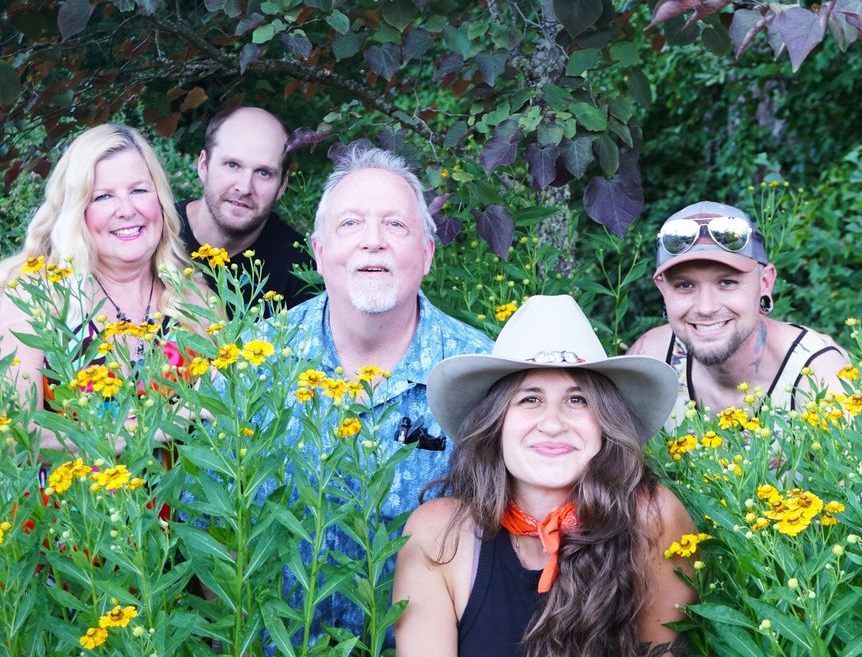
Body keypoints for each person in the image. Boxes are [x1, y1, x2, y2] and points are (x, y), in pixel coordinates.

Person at [394, 294, 696, 657]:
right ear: (496, 423)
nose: (552, 424)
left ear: (605, 422)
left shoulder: (651, 518)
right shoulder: (438, 535)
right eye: (529, 399)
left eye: (577, 400)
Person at [274, 142, 493, 633]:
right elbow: (213, 529)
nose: (373, 241)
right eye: (350, 224)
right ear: (320, 251)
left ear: (427, 254)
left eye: (396, 224)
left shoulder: (480, 375)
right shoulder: (258, 359)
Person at [0, 124, 206, 449]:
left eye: (139, 190)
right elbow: (13, 435)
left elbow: (231, 413)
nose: (126, 210)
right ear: (76, 210)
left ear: (161, 200)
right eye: (103, 196)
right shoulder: (30, 294)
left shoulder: (194, 297)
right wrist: (142, 435)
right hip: (68, 498)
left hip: (184, 500)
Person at [628, 201, 848, 422]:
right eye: (684, 285)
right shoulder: (650, 363)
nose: (706, 307)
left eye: (727, 282)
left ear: (765, 283)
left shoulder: (818, 377)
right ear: (662, 289)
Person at [177, 106, 314, 308]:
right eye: (232, 165)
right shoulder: (156, 233)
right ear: (203, 165)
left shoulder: (301, 272)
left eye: (263, 173)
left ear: (282, 185)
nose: (244, 187)